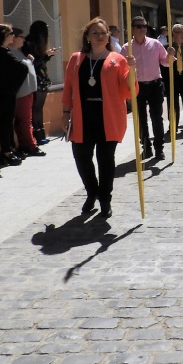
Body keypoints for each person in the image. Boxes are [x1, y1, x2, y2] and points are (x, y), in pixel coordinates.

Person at [61, 18, 132, 218]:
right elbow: (68, 89)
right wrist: (66, 113)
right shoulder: (76, 59)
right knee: (82, 158)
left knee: (105, 160)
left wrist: (132, 73)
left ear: (108, 36)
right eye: (95, 33)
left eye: (103, 33)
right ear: (87, 37)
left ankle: (105, 198)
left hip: (109, 117)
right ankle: (92, 191)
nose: (100, 36)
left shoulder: (118, 60)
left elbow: (129, 92)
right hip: (83, 117)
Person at [122, 16, 169, 161]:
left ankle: (159, 149)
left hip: (155, 84)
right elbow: (122, 70)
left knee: (157, 118)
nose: (142, 29)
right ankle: (146, 147)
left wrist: (171, 57)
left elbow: (165, 61)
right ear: (132, 29)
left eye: (144, 26)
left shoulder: (155, 44)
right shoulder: (126, 48)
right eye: (139, 26)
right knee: (140, 119)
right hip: (137, 87)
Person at [0, 23, 29, 166]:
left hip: (6, 91)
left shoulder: (2, 52)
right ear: (4, 36)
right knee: (6, 120)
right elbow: (19, 68)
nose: (13, 36)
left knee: (8, 119)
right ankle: (6, 151)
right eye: (10, 33)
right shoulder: (0, 53)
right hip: (4, 92)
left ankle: (10, 148)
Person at [8, 28, 45, 158]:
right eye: (21, 37)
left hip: (27, 91)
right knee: (25, 120)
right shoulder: (10, 53)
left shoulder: (18, 52)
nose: (24, 39)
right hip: (21, 93)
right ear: (13, 38)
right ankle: (31, 145)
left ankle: (25, 144)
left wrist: (29, 60)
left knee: (23, 120)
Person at [23, 20, 57, 145]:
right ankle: (37, 135)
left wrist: (48, 55)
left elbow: (40, 61)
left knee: (39, 108)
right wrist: (45, 55)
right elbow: (33, 62)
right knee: (35, 108)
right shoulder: (28, 43)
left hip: (42, 78)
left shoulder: (37, 43)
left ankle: (41, 133)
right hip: (35, 78)